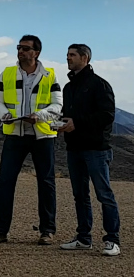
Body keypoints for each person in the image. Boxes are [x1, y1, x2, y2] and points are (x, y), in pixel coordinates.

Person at [0, 34, 63, 245]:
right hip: (15, 134)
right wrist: (4, 115)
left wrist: (39, 116)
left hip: (42, 135)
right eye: (19, 48)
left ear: (36, 53)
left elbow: (57, 106)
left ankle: (47, 231)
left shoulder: (50, 76)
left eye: (26, 48)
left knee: (46, 182)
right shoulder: (7, 73)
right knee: (5, 181)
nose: (21, 51)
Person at [57, 44, 121, 256]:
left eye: (72, 55)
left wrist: (77, 123)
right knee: (80, 195)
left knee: (104, 194)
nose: (68, 58)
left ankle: (112, 240)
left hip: (96, 149)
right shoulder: (68, 87)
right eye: (67, 55)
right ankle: (84, 238)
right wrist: (58, 123)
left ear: (84, 58)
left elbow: (107, 115)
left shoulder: (99, 85)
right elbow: (69, 114)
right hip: (74, 148)